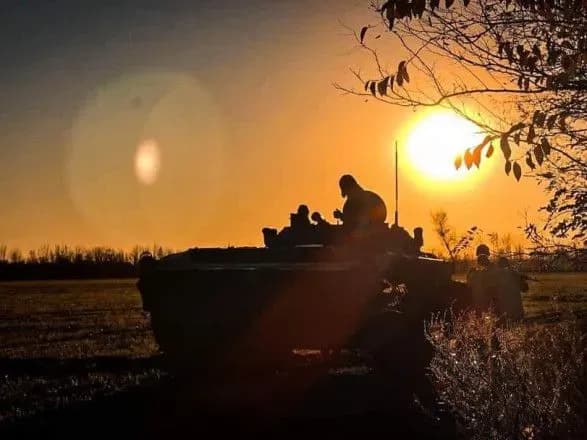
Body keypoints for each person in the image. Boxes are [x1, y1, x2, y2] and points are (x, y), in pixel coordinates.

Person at [467, 244, 498, 313]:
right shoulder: (473, 270)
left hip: (488, 301)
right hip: (480, 301)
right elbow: (469, 284)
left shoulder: (492, 267)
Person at [494, 256, 527, 322]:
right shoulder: (514, 273)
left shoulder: (497, 274)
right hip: (515, 308)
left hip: (506, 308)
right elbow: (524, 289)